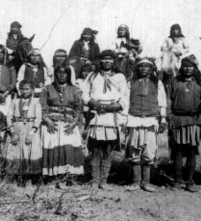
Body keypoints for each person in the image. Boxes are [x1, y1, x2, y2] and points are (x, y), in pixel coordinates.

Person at [82, 49, 129, 190]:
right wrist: (92, 103)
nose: (107, 61)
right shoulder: (92, 76)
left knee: (108, 151)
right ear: (99, 61)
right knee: (95, 150)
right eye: (104, 59)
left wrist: (116, 107)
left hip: (111, 117)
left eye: (110, 59)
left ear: (114, 61)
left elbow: (124, 96)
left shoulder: (120, 77)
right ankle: (94, 180)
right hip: (97, 116)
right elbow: (83, 93)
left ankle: (104, 181)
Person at [166, 57, 201, 192]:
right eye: (185, 66)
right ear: (181, 67)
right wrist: (169, 118)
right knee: (178, 151)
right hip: (178, 120)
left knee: (192, 152)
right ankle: (177, 180)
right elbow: (169, 101)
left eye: (190, 66)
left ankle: (190, 181)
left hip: (194, 121)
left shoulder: (199, 83)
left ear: (195, 68)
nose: (188, 69)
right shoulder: (174, 81)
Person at [125, 57, 167, 192]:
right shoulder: (130, 83)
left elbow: (162, 102)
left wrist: (163, 119)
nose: (143, 69)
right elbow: (125, 101)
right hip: (134, 118)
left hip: (151, 120)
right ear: (137, 68)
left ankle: (146, 182)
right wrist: (124, 120)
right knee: (134, 149)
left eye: (147, 66)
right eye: (141, 66)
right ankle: (136, 182)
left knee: (149, 150)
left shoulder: (158, 83)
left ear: (151, 69)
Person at [40, 65, 84, 189]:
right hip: (52, 124)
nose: (62, 75)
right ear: (55, 74)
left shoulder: (75, 89)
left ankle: (68, 178)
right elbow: (42, 105)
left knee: (68, 149)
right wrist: (47, 120)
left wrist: (75, 122)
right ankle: (55, 178)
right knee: (54, 149)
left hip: (69, 124)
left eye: (65, 73)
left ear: (69, 74)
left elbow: (79, 107)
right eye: (59, 72)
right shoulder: (47, 88)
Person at [5, 79, 42, 187]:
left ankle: (31, 176)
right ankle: (19, 176)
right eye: (22, 89)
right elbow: (9, 117)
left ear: (32, 90)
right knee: (18, 152)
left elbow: (38, 118)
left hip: (30, 130)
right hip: (17, 129)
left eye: (27, 89)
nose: (24, 91)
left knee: (30, 151)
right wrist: (12, 133)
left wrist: (31, 133)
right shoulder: (15, 101)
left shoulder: (36, 102)